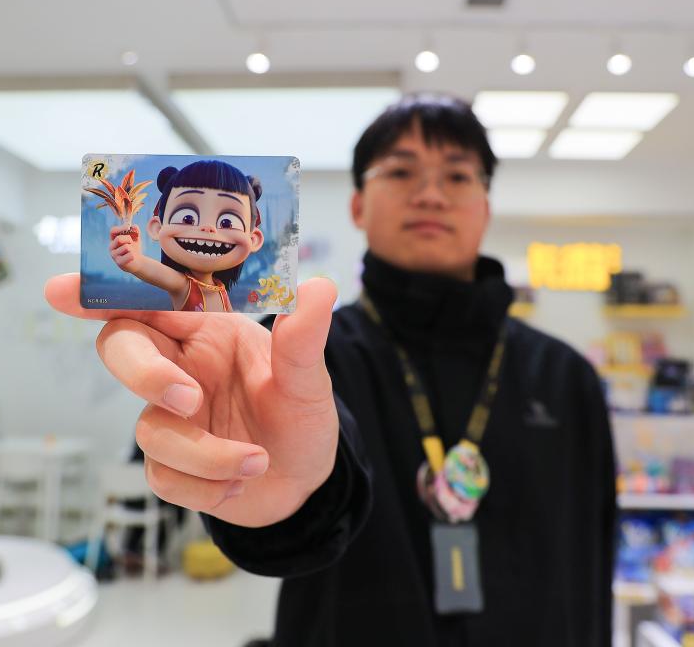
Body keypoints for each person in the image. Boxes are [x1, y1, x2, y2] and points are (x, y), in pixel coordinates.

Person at [46, 93, 617, 645]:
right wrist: (283, 502)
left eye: (458, 175)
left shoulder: (566, 379)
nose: (430, 194)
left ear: (485, 207)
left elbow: (593, 558)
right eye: (401, 171)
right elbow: (308, 512)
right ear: (357, 206)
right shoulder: (298, 351)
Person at [108, 159, 265, 312]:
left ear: (253, 239)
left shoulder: (219, 288)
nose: (208, 228)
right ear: (157, 228)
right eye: (187, 218)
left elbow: (231, 318)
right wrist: (135, 260)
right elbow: (152, 270)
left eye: (227, 222)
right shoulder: (184, 286)